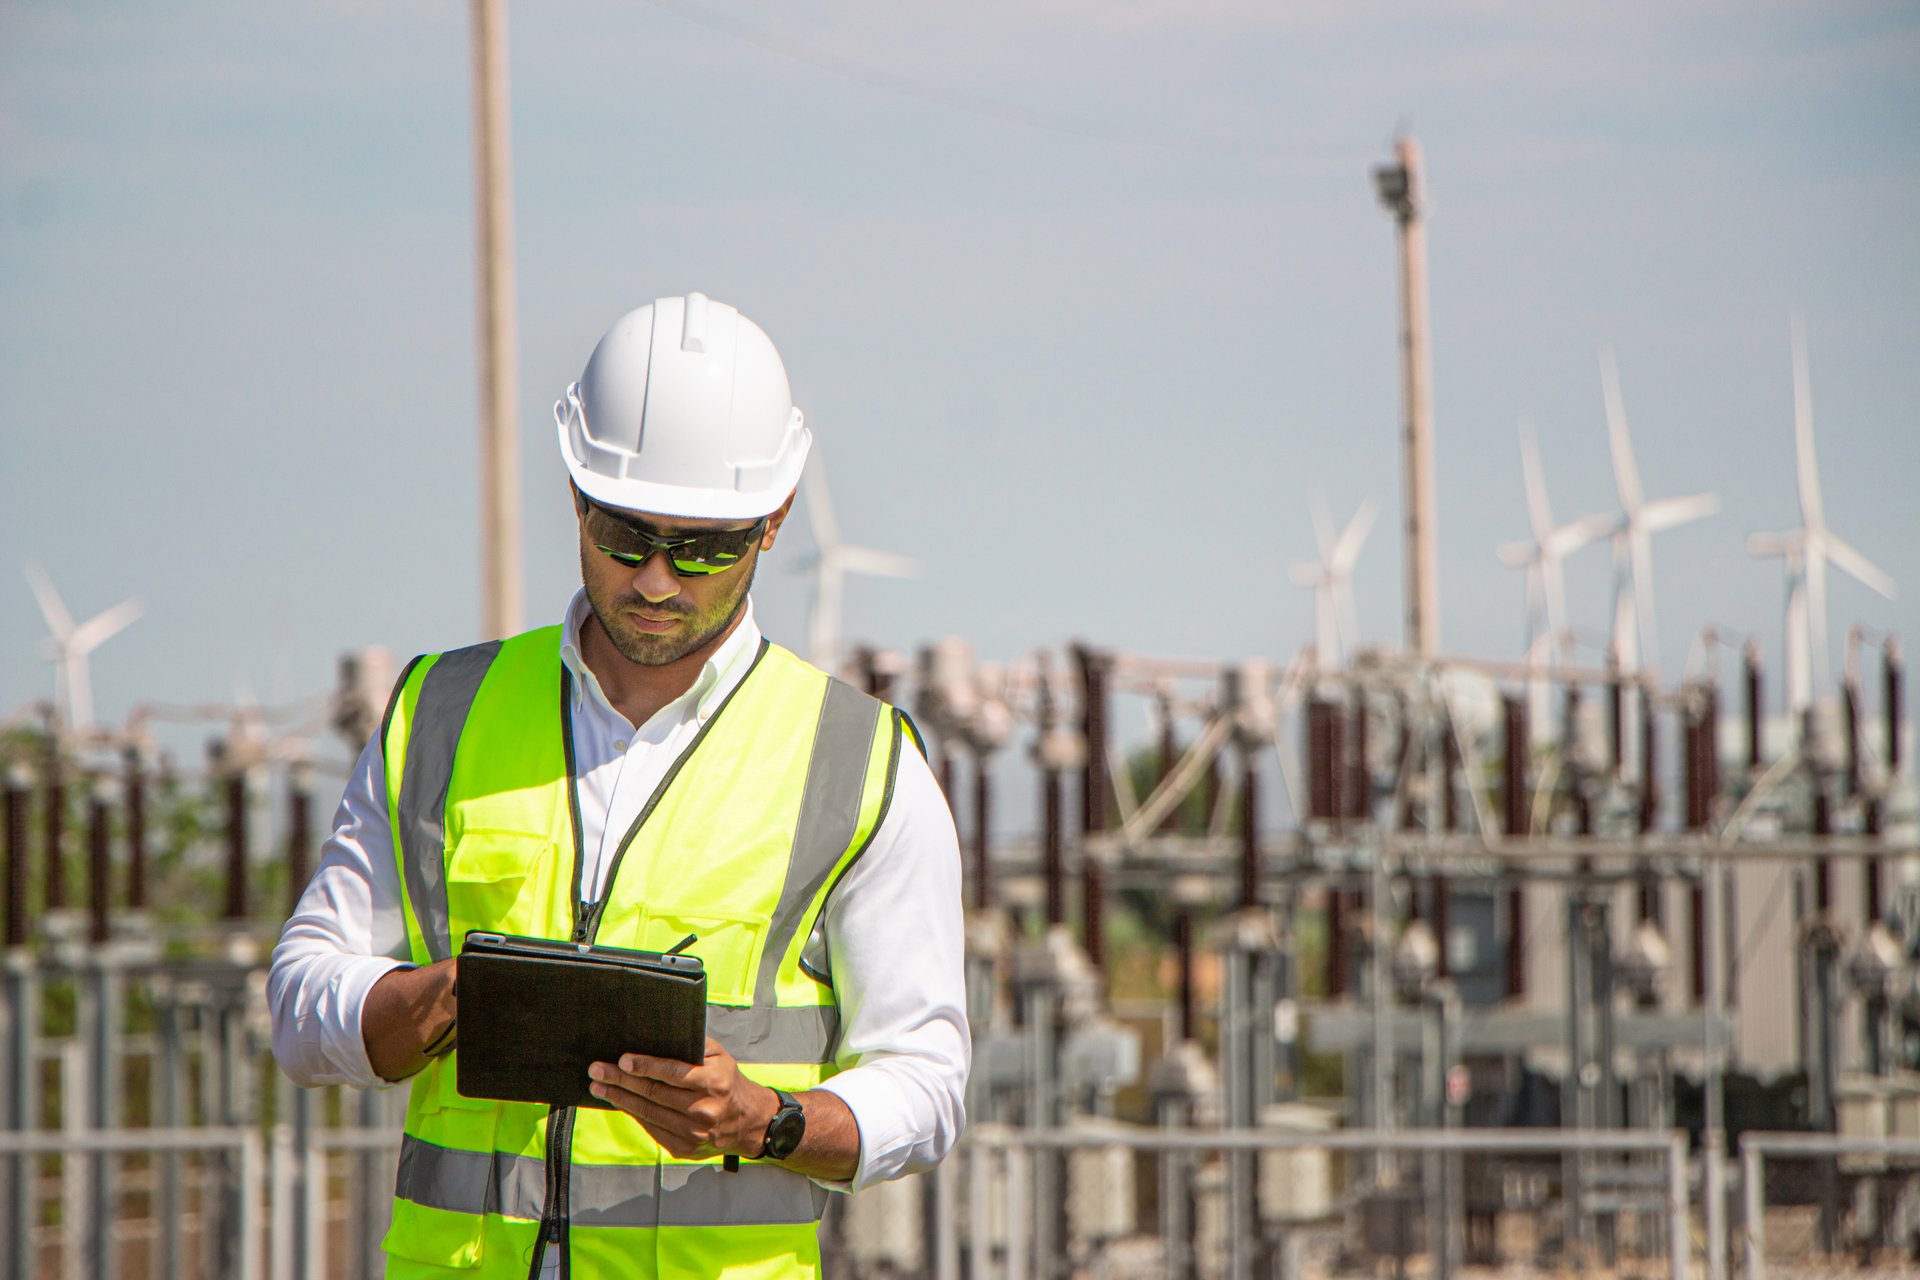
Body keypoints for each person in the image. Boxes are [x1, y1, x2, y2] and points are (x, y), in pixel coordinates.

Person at [269, 294, 969, 1279]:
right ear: (575, 494)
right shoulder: (439, 714)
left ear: (774, 520)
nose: (655, 580)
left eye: (704, 547)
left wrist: (764, 1119)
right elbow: (301, 999)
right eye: (624, 534)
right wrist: (429, 1001)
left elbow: (927, 1083)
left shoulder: (861, 762)